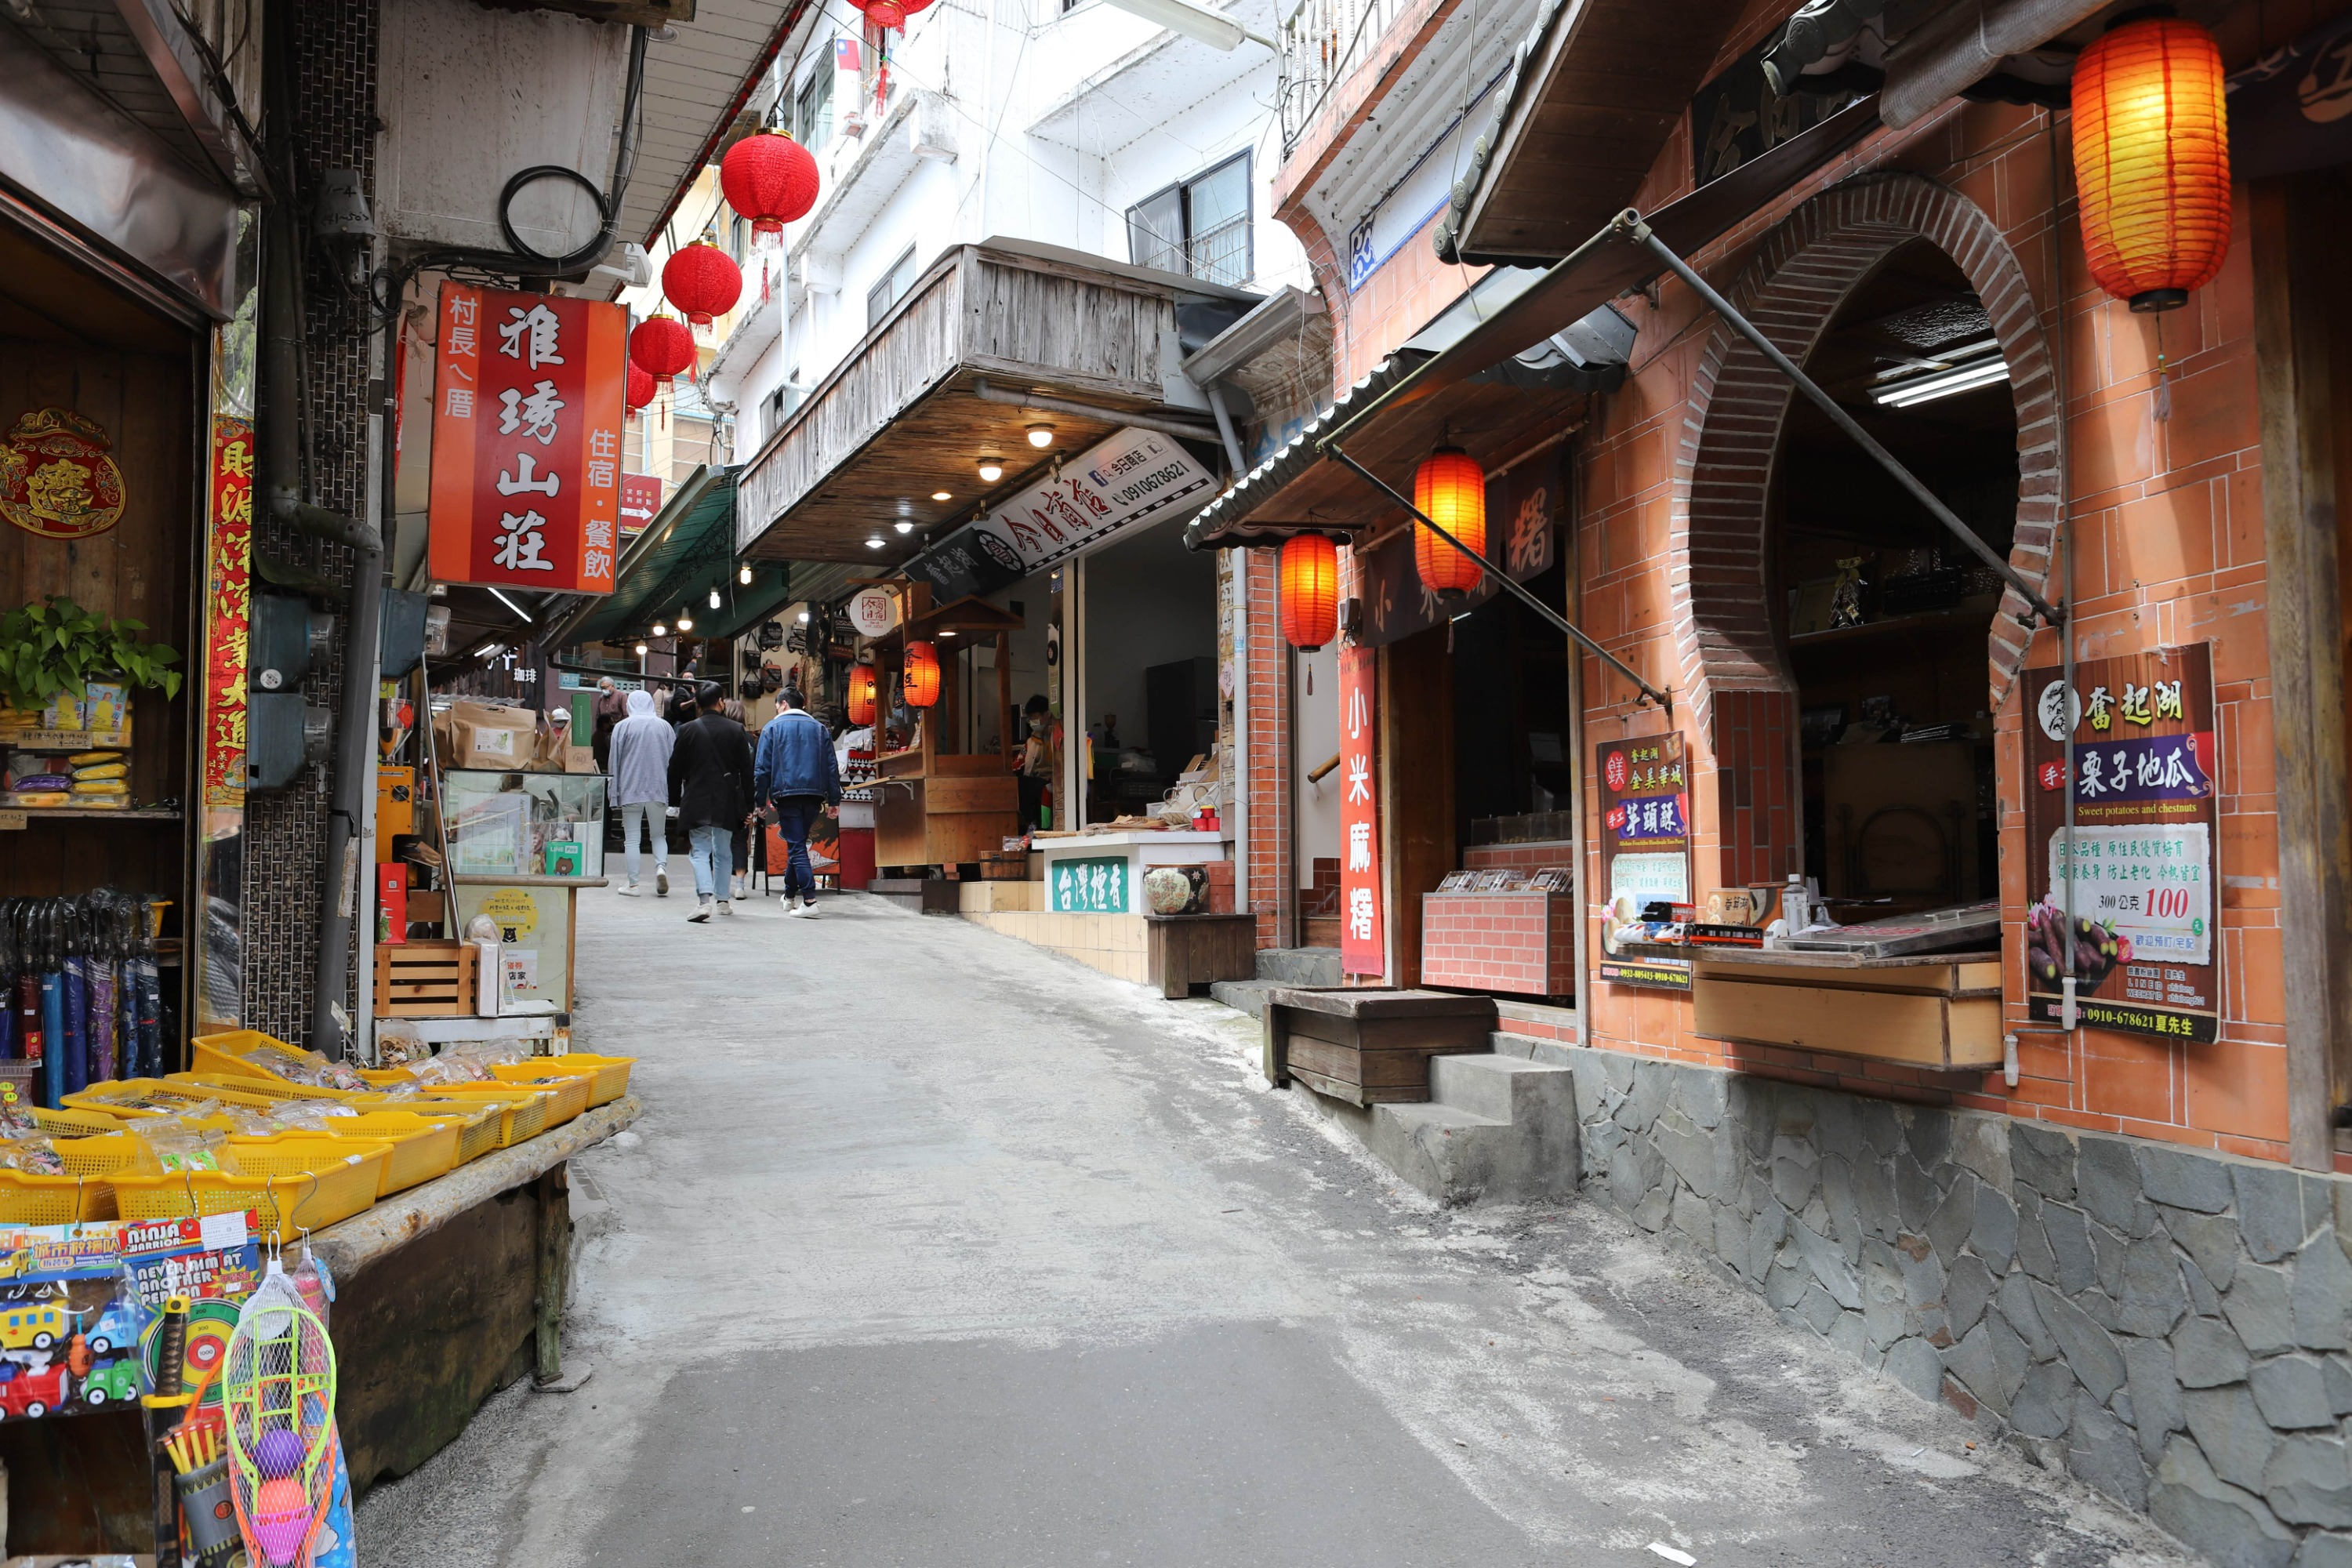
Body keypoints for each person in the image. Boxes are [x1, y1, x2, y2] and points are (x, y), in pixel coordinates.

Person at [669, 680, 755, 922]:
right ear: (721, 702)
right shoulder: (736, 730)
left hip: (696, 798)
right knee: (723, 850)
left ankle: (704, 901)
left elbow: (674, 769)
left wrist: (674, 801)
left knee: (700, 851)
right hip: (727, 800)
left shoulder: (687, 730)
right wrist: (750, 805)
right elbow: (746, 771)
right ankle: (723, 901)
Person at [751, 684, 840, 917]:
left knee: (797, 846)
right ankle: (790, 895)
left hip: (786, 795)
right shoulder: (819, 729)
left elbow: (761, 769)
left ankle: (810, 901)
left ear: (784, 704)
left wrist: (760, 801)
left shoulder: (772, 728)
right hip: (814, 796)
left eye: (776, 707)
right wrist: (834, 800)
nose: (776, 712)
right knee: (798, 842)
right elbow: (832, 767)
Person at [607, 689, 674, 897]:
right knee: (658, 834)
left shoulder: (622, 727)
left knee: (633, 839)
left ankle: (633, 884)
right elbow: (674, 759)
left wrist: (613, 791)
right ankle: (661, 868)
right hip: (659, 787)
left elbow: (614, 761)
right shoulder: (664, 726)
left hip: (631, 789)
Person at [1017, 693, 1054, 833]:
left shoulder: (1058, 738)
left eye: (1035, 717)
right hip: (1036, 779)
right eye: (1030, 718)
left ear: (1047, 714)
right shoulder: (1031, 741)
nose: (1033, 721)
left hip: (1054, 779)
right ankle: (1031, 823)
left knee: (1039, 788)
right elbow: (1020, 762)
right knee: (1019, 784)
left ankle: (1043, 826)